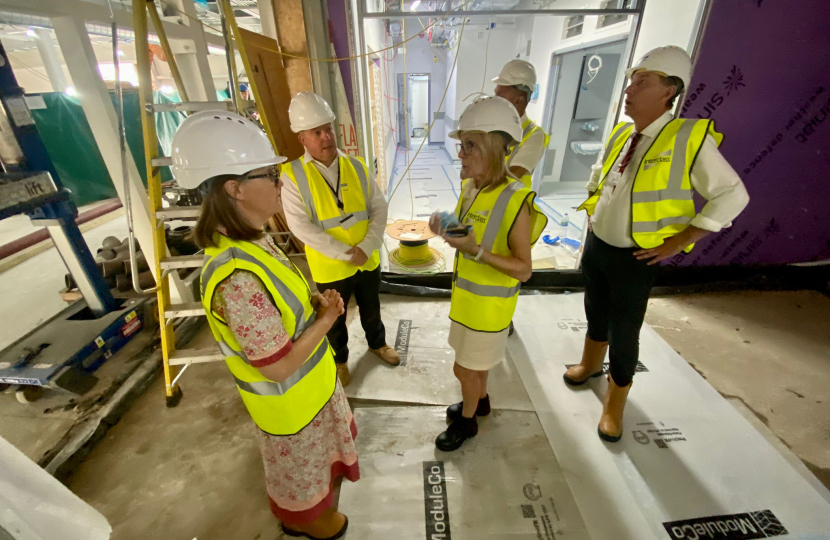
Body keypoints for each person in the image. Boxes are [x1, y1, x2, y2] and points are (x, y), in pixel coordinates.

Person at [172, 110, 356, 540]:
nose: (281, 182)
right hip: (292, 410)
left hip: (310, 399)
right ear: (234, 187)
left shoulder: (253, 237)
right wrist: (327, 318)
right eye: (270, 175)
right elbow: (275, 367)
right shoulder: (236, 277)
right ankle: (308, 527)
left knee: (317, 483)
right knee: (313, 503)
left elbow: (280, 300)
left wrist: (312, 301)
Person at [566, 46, 750, 442]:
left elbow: (733, 195)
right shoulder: (622, 133)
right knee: (594, 310)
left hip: (636, 257)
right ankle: (588, 365)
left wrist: (686, 237)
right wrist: (594, 214)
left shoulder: (688, 138)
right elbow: (601, 179)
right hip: (598, 246)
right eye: (632, 80)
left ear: (670, 90)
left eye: (642, 81)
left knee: (624, 330)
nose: (630, 88)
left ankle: (614, 406)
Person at [430, 96, 547, 451]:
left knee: (463, 370)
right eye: (461, 144)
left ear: (496, 149)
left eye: (470, 145)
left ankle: (467, 423)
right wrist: (445, 225)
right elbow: (466, 232)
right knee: (473, 365)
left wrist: (477, 251)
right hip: (466, 304)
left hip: (488, 312)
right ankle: (479, 402)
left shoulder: (516, 199)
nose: (460, 154)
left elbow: (524, 270)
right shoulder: (471, 188)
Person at [281, 92, 399, 388]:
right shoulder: (293, 175)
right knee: (333, 320)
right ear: (302, 139)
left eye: (328, 128)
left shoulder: (356, 166)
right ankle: (340, 360)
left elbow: (378, 207)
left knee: (372, 309)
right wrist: (348, 253)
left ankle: (378, 344)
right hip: (331, 268)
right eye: (316, 132)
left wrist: (367, 246)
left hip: (367, 259)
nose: (326, 136)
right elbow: (300, 226)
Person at [492, 59, 550, 188]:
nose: (495, 101)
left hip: (509, 205)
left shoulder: (534, 135)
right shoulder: (491, 124)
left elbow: (513, 175)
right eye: (495, 95)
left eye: (500, 96)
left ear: (519, 99)